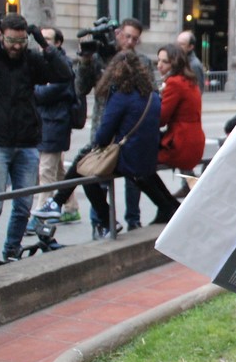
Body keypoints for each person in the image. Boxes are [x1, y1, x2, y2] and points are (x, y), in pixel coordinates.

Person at [0, 13, 73, 270]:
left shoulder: (30, 59)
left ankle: (12, 251)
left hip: (26, 141)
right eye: (11, 41)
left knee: (24, 204)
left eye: (21, 41)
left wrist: (42, 43)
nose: (16, 47)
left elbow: (64, 73)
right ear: (1, 36)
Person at [34, 51, 180, 238]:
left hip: (129, 159)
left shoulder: (121, 96)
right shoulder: (152, 96)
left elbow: (102, 136)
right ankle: (57, 203)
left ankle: (102, 218)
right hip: (147, 158)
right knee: (86, 163)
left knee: (85, 169)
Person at [77, 17, 151, 230]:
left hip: (129, 132)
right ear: (118, 34)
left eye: (135, 39)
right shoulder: (99, 58)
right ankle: (101, 223)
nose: (130, 42)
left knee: (133, 180)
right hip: (104, 127)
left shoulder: (141, 61)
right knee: (98, 177)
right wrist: (85, 61)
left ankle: (133, 220)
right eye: (127, 36)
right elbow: (81, 88)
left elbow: (148, 92)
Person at [26, 27, 81, 235]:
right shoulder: (41, 62)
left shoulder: (63, 64)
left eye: (47, 39)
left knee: (46, 172)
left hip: (56, 123)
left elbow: (44, 93)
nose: (43, 43)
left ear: (57, 43)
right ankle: (71, 207)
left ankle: (39, 216)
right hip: (45, 122)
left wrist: (34, 89)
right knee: (58, 171)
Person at [157, 44, 205, 199]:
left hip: (181, 143)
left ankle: (166, 205)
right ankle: (191, 191)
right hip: (193, 141)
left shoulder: (174, 82)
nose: (159, 65)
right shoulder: (189, 80)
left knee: (139, 163)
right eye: (158, 61)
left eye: (165, 62)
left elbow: (161, 118)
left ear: (175, 63)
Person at [176, 30, 205, 94]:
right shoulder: (178, 60)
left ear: (190, 47)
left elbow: (198, 90)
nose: (177, 47)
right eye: (177, 43)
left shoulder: (194, 65)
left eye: (182, 44)